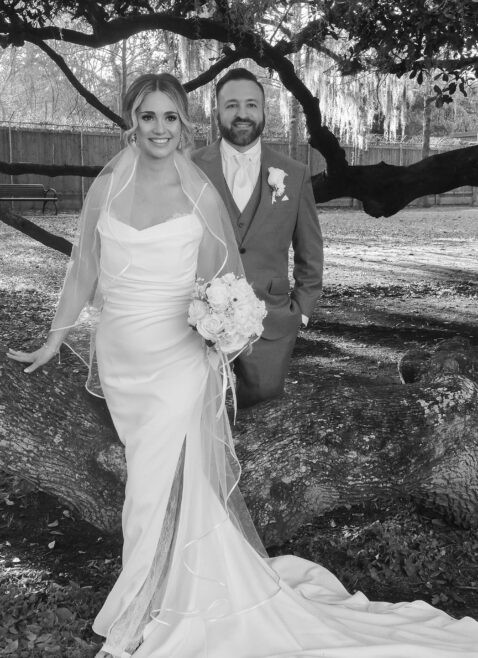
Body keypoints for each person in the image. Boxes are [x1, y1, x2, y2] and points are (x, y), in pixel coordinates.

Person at [7, 73, 478, 658]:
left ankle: (146, 606)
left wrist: (222, 328)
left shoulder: (198, 192)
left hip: (179, 356)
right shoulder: (108, 186)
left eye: (170, 118)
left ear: (185, 123)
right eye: (148, 117)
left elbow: (223, 280)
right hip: (122, 355)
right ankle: (161, 584)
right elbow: (83, 271)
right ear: (132, 120)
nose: (159, 129)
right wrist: (55, 338)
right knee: (154, 473)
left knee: (153, 481)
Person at [193, 68, 323, 408]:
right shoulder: (190, 169)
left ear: (264, 112)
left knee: (264, 422)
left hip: (272, 326)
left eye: (251, 105)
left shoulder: (293, 175)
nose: (242, 114)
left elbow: (310, 250)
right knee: (202, 420)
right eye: (232, 105)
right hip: (198, 329)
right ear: (217, 111)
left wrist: (301, 312)